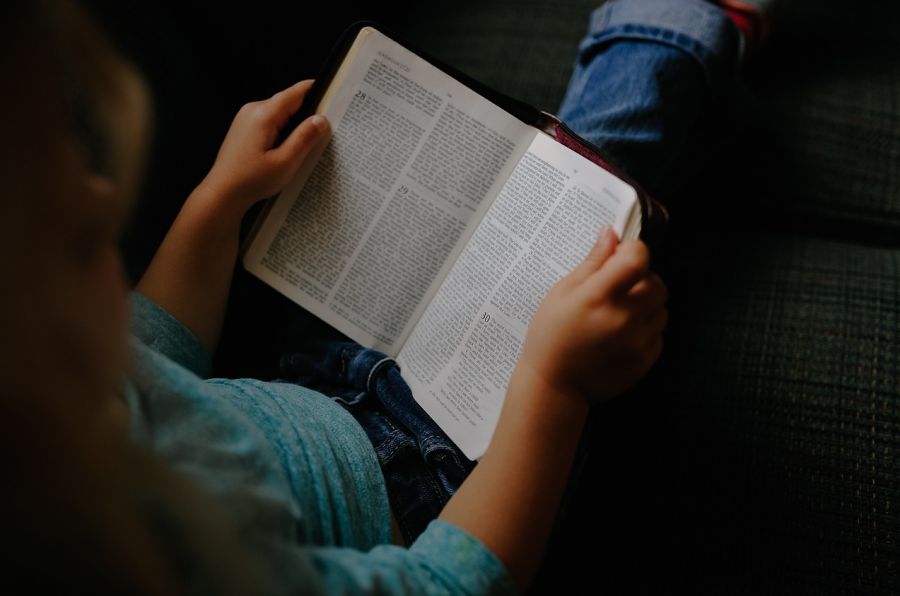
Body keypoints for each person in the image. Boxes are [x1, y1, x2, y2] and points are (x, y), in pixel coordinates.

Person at [0, 0, 769, 593]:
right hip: (432, 487)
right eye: (85, 242)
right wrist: (553, 384)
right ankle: (677, 25)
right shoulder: (167, 564)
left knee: (536, 192)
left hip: (307, 379)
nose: (114, 259)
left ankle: (709, 90)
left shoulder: (62, 387)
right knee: (597, 190)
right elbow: (444, 582)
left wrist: (218, 204)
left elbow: (157, 344)